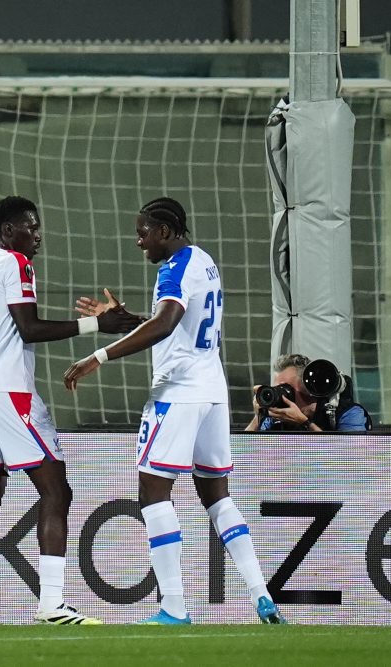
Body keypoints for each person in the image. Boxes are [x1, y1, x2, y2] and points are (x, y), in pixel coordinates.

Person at [64, 196, 285, 625]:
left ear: (165, 231)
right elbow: (173, 325)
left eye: (143, 232)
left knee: (153, 493)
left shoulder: (174, 268)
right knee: (216, 497)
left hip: (177, 392)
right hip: (211, 391)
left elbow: (165, 324)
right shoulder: (203, 261)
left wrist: (99, 356)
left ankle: (174, 607)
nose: (138, 242)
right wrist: (125, 318)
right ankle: (263, 595)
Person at [0, 195, 140, 626]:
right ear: (8, 231)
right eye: (30, 227)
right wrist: (98, 326)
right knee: (57, 491)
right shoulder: (16, 263)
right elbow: (29, 328)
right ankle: (52, 604)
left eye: (37, 227)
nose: (37, 235)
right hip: (8, 391)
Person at [245, 353, 371, 432]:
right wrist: (258, 417)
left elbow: (352, 461)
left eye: (285, 389)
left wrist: (304, 423)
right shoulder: (277, 417)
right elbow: (242, 456)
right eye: (277, 389)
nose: (280, 396)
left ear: (309, 390)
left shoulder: (349, 413)